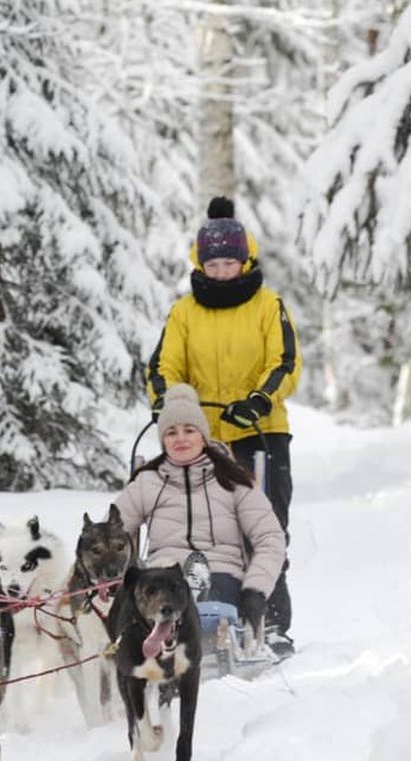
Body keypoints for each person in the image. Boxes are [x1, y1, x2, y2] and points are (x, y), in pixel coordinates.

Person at [145, 197, 301, 655]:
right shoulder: (184, 313)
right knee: (198, 531)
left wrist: (257, 400)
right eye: (212, 263)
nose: (221, 271)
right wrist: (174, 405)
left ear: (245, 259)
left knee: (264, 528)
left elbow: (285, 362)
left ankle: (271, 622)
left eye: (229, 262)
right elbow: (163, 367)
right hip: (199, 441)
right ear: (200, 263)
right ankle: (198, 616)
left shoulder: (269, 306)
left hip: (261, 433)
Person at [113, 384, 287, 638]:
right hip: (162, 573)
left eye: (189, 430)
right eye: (171, 432)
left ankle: (195, 595)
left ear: (203, 436)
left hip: (221, 572)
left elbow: (270, 538)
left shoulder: (233, 480)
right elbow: (110, 536)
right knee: (157, 593)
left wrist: (255, 590)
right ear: (163, 440)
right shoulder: (147, 482)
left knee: (210, 595)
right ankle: (185, 599)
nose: (180, 438)